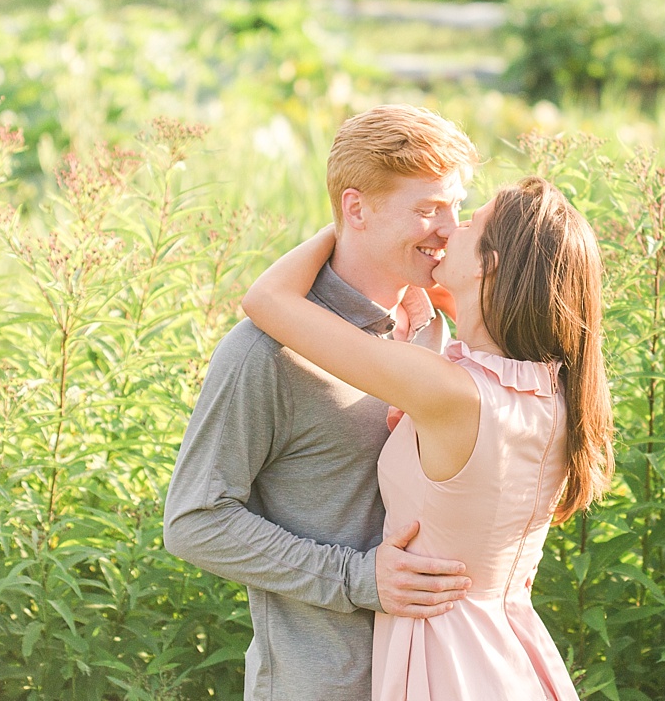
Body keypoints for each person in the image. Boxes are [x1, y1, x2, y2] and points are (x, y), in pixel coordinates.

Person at [242, 176, 615, 700]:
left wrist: (351, 225)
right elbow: (488, 326)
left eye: (469, 223)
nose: (448, 229)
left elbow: (267, 299)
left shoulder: (450, 392)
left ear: (493, 264)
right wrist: (448, 285)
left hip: (446, 661)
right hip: (507, 654)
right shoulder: (550, 391)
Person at [163, 105, 483, 701]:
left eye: (456, 206)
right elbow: (194, 521)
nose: (450, 228)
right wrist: (357, 578)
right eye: (427, 208)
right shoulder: (265, 352)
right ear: (355, 209)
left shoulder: (441, 333)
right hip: (326, 683)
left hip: (440, 675)